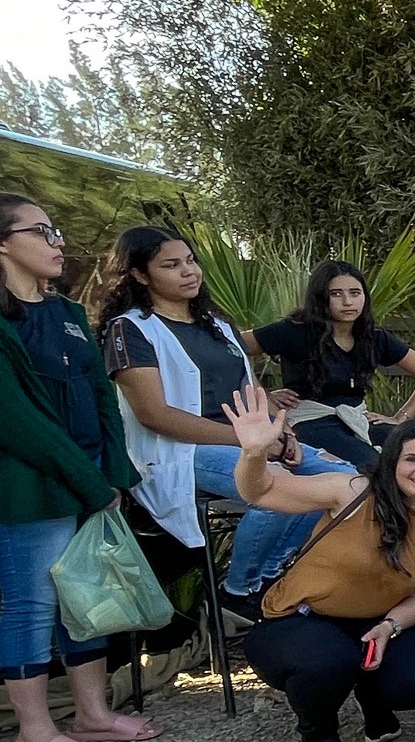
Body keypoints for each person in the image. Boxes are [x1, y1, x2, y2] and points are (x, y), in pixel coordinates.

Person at [100, 226, 355, 623]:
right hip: (180, 452)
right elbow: (154, 416)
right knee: (278, 490)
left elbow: (251, 387)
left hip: (248, 441)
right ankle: (236, 594)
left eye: (190, 261)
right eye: (171, 265)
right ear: (139, 275)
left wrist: (282, 432)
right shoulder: (130, 329)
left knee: (346, 480)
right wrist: (251, 442)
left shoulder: (216, 324)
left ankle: (269, 577)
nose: (189, 271)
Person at [0, 195, 164, 742]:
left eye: (57, 230)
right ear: (3, 244)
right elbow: (18, 423)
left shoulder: (68, 314)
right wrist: (89, 483)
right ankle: (32, 734)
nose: (58, 242)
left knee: (87, 595)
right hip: (30, 488)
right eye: (42, 232)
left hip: (90, 480)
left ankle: (93, 713)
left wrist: (115, 473)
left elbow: (102, 400)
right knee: (30, 605)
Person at [230, 390, 415, 742]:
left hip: (369, 623)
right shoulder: (352, 490)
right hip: (299, 619)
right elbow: (260, 491)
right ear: (392, 462)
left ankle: (370, 695)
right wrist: (254, 453)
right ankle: (317, 736)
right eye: (412, 459)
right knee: (330, 660)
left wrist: (389, 627)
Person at [245, 260, 415, 472]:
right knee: (373, 466)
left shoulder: (373, 337)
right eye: (336, 294)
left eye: (355, 293)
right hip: (310, 421)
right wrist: (265, 396)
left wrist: (400, 418)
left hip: (356, 418)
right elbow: (232, 347)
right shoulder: (295, 331)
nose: (348, 302)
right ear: (320, 298)